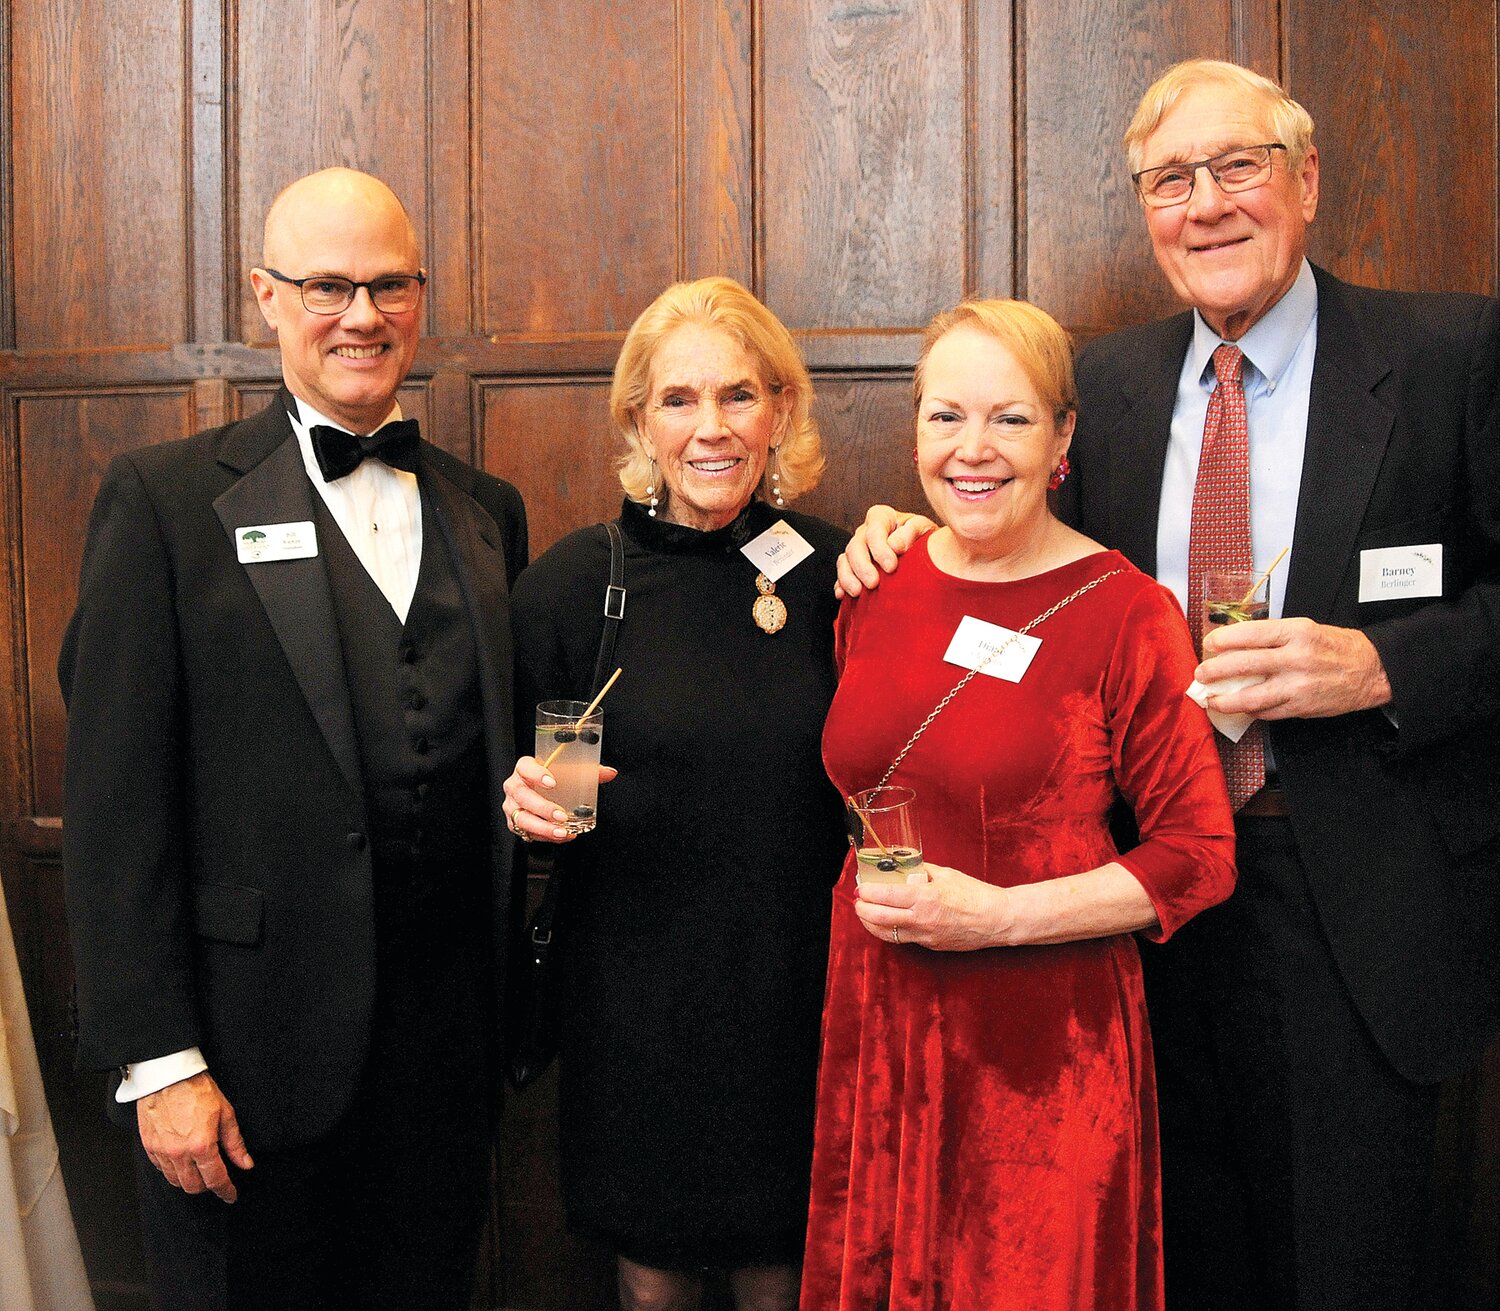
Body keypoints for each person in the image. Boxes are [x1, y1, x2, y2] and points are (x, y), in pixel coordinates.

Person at [838, 58, 1500, 1311]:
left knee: (1345, 1266)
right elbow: (1027, 565)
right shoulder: (1115, 383)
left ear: (1306, 182)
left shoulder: (1450, 350)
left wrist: (1385, 665)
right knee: (1170, 1260)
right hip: (1129, 910)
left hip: (1350, 893)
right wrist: (902, 540)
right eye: (1170, 180)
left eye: (1237, 167)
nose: (1206, 204)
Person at [58, 167, 528, 1310]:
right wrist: (160, 1064)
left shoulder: (487, 509)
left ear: (423, 296)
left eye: (388, 286)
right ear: (264, 297)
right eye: (327, 286)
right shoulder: (164, 503)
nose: (360, 316)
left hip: (442, 1068)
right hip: (243, 1075)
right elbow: (115, 809)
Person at [800, 297, 1235, 1311]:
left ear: (1063, 436)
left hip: (1041, 1054)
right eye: (945, 417)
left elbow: (1200, 855)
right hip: (881, 1021)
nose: (972, 449)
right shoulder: (877, 582)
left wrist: (997, 919)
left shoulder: (1130, 611)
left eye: (1011, 418)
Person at [503, 277, 849, 1311]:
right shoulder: (577, 588)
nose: (711, 428)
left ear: (781, 411)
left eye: (739, 396)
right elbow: (543, 801)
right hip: (636, 1012)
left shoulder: (843, 576)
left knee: (782, 1275)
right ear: (637, 420)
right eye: (679, 400)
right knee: (652, 1278)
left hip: (799, 1003)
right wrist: (527, 807)